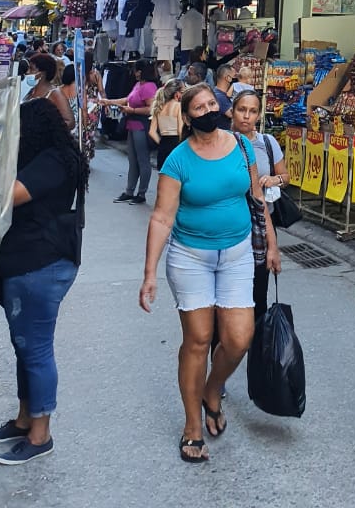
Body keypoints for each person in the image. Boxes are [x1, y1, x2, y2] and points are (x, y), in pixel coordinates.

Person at [138, 83, 280, 464]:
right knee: (198, 339)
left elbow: (256, 198)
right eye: (197, 108)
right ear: (187, 117)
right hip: (190, 258)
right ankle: (192, 426)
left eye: (210, 105)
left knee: (238, 338)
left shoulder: (243, 146)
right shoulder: (178, 160)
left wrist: (272, 243)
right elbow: (162, 216)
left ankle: (212, 390)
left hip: (236, 255)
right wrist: (149, 272)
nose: (206, 111)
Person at [0, 99, 87, 465]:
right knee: (25, 346)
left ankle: (40, 434)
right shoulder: (44, 157)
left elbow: (5, 196)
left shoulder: (54, 161)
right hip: (26, 263)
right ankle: (25, 418)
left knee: (36, 349)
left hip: (40, 264)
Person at [229, 90, 288, 319]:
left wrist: (275, 179)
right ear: (232, 111)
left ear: (259, 115)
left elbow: (286, 176)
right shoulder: (221, 141)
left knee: (258, 296)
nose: (246, 116)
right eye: (242, 110)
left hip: (263, 227)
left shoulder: (267, 142)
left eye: (252, 111)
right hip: (232, 226)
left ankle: (256, 348)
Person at [100, 58, 159, 204]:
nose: (133, 72)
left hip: (141, 126)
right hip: (132, 126)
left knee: (142, 160)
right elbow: (127, 99)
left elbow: (151, 109)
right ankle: (129, 191)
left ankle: (141, 193)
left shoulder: (149, 87)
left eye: (135, 70)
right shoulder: (139, 85)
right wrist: (109, 101)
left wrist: (132, 110)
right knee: (133, 161)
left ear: (140, 71)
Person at [24, 53, 74, 131]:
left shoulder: (55, 93)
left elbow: (70, 122)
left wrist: (44, 129)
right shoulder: (30, 91)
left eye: (32, 69)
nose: (27, 72)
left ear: (42, 74)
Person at [149, 78, 184, 170]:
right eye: (183, 92)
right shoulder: (178, 106)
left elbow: (152, 132)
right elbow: (181, 130)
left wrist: (162, 143)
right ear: (177, 94)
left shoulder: (159, 107)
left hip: (163, 145)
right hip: (176, 145)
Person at [212, 64, 235, 130]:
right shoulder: (220, 97)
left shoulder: (218, 93)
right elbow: (234, 115)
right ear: (228, 78)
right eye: (235, 76)